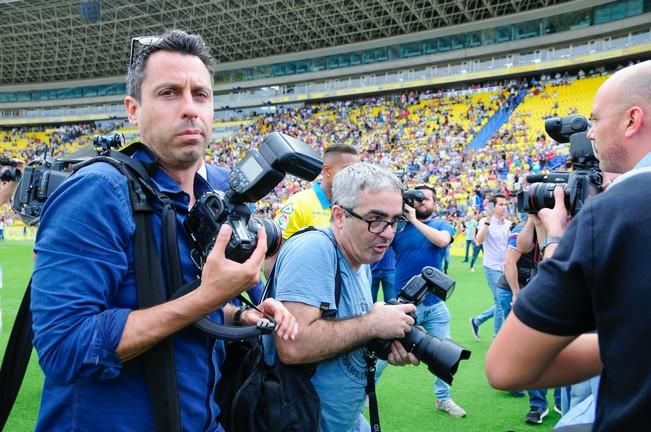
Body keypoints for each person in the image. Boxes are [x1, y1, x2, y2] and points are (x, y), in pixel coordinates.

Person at [29, 30, 297, 431]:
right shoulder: (97, 193)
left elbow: (172, 299)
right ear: (133, 109)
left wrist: (237, 312)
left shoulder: (219, 192)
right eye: (169, 93)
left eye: (200, 94)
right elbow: (63, 347)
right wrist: (207, 296)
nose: (189, 108)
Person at [485, 61, 651, 431]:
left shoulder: (618, 211)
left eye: (595, 120)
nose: (590, 133)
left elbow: (506, 367)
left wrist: (560, 239)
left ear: (631, 120)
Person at [272, 163, 419, 432]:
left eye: (394, 220)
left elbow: (348, 330)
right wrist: (373, 324)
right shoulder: (314, 249)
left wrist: (385, 340)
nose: (387, 232)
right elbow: (292, 347)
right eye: (375, 219)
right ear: (339, 216)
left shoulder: (360, 260)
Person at [391, 184, 467, 418]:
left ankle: (443, 399)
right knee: (383, 353)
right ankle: (363, 393)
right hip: (403, 305)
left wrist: (414, 220)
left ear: (434, 203)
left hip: (434, 306)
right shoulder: (399, 228)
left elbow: (443, 241)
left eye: (426, 199)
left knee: (444, 354)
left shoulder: (440, 225)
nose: (421, 202)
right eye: (417, 199)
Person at [275, 143, 359, 240]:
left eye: (357, 171)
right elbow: (276, 250)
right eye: (348, 170)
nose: (354, 176)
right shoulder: (298, 204)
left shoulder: (355, 207)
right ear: (327, 171)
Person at [469, 193, 511, 340]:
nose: (504, 207)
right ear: (493, 206)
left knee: (506, 301)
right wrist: (487, 221)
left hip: (506, 267)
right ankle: (497, 338)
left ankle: (477, 320)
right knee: (500, 302)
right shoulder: (485, 222)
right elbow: (478, 241)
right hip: (492, 267)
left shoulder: (508, 224)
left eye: (505, 204)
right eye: (501, 204)